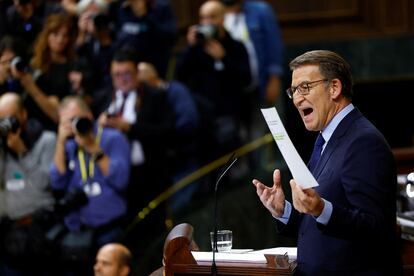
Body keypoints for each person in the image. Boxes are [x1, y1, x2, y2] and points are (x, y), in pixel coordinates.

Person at [252, 50, 401, 275]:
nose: (297, 99)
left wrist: (320, 208)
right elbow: (317, 225)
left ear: (334, 88)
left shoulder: (363, 141)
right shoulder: (324, 139)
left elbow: (375, 226)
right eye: (293, 91)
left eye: (305, 87)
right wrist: (284, 211)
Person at [50, 95, 130, 273]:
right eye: (69, 121)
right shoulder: (69, 146)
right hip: (78, 233)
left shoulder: (112, 138)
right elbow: (57, 182)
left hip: (109, 230)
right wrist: (61, 141)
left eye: (78, 118)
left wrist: (91, 146)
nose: (76, 124)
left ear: (89, 114)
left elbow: (121, 180)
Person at [176, 0, 250, 164]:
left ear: (223, 19)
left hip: (229, 116)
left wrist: (223, 59)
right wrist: (190, 47)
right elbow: (179, 76)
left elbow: (246, 79)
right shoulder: (195, 49)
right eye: (203, 18)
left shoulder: (236, 46)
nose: (206, 22)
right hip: (202, 118)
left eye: (212, 17)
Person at [0, 92, 56, 274]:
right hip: (8, 232)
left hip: (40, 229)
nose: (6, 125)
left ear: (24, 114)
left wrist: (23, 152)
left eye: (10, 118)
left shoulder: (47, 140)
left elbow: (44, 183)